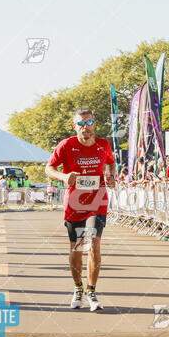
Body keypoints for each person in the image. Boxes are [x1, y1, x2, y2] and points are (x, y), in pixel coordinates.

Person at [45, 107, 116, 311]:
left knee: (93, 243)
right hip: (75, 203)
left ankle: (92, 292)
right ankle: (78, 288)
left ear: (94, 123)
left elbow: (111, 164)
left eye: (89, 122)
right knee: (77, 247)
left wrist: (111, 177)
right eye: (81, 123)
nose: (86, 127)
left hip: (97, 202)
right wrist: (64, 177)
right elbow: (49, 168)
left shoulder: (103, 144)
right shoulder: (66, 145)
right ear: (74, 126)